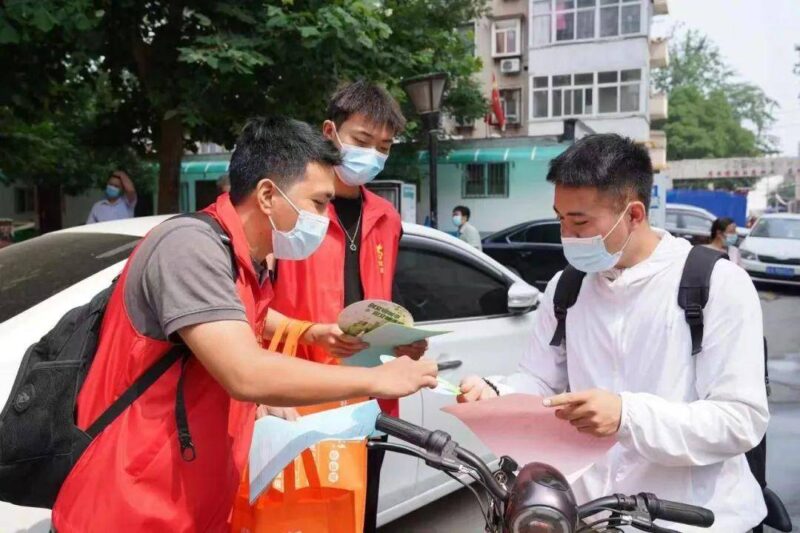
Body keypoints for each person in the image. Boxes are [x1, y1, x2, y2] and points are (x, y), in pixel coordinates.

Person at [51, 117, 438, 532]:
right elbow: (245, 372)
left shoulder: (245, 260)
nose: (325, 219)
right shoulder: (190, 247)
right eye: (318, 203)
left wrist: (309, 332)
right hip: (130, 507)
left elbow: (243, 318)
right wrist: (377, 379)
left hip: (192, 502)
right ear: (268, 195)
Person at [458, 134, 769, 532]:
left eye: (580, 222)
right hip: (593, 515)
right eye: (560, 219)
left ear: (634, 214)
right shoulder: (566, 288)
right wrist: (497, 392)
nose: (566, 235)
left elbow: (741, 419)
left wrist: (626, 416)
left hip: (691, 518)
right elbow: (541, 381)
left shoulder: (716, 284)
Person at [269, 81, 426, 533]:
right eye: (362, 140)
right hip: (299, 398)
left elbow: (383, 298)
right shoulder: (293, 210)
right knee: (299, 521)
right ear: (330, 132)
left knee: (361, 516)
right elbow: (253, 307)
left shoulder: (387, 217)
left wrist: (403, 341)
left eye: (384, 147)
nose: (373, 155)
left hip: (370, 399)